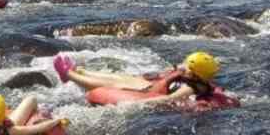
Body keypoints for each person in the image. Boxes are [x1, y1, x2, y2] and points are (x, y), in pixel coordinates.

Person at [53, 51, 220, 105]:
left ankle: (70, 75)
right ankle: (82, 71)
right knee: (120, 77)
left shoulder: (189, 88)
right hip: (152, 86)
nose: (183, 65)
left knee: (112, 83)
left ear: (193, 73)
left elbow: (168, 99)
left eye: (187, 65)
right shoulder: (192, 77)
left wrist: (138, 103)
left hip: (148, 93)